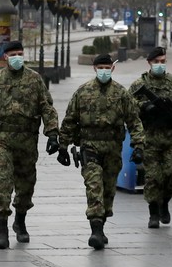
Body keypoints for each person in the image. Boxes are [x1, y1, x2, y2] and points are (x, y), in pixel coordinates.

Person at [0, 41, 60, 249]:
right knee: (1, 183)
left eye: (20, 53)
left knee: (26, 184)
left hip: (27, 140)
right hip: (2, 139)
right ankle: (2, 231)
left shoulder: (34, 79)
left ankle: (20, 220)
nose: (17, 57)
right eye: (13, 54)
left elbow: (47, 107)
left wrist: (53, 133)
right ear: (5, 57)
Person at [58, 53, 145, 250]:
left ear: (112, 68)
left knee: (108, 189)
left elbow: (134, 121)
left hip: (113, 147)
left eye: (107, 67)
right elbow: (70, 120)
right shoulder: (83, 92)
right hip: (90, 146)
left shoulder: (122, 94)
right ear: (95, 68)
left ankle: (102, 225)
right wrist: (62, 145)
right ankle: (95, 230)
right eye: (101, 67)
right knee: (94, 185)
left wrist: (139, 146)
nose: (104, 70)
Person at [129, 47, 172, 229]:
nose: (160, 65)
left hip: (170, 138)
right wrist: (144, 107)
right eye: (156, 62)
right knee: (153, 177)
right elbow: (128, 107)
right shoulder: (139, 85)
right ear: (149, 63)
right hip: (149, 139)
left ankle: (165, 203)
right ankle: (153, 213)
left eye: (163, 62)